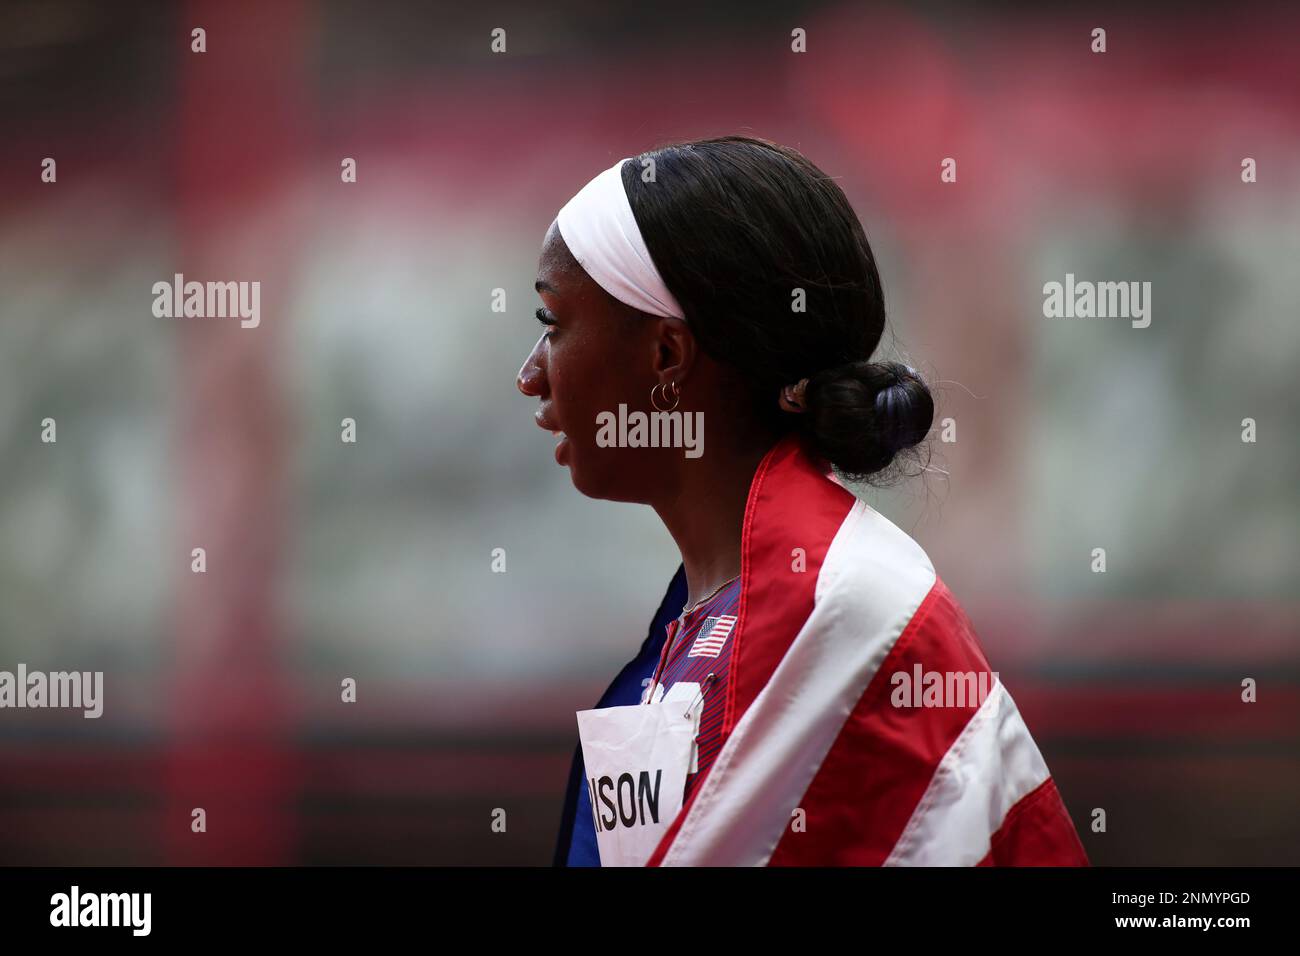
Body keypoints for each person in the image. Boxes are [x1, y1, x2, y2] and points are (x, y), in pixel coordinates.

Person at [517, 135, 1088, 866]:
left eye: (552, 326)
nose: (530, 376)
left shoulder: (851, 610)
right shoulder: (711, 619)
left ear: (666, 356)